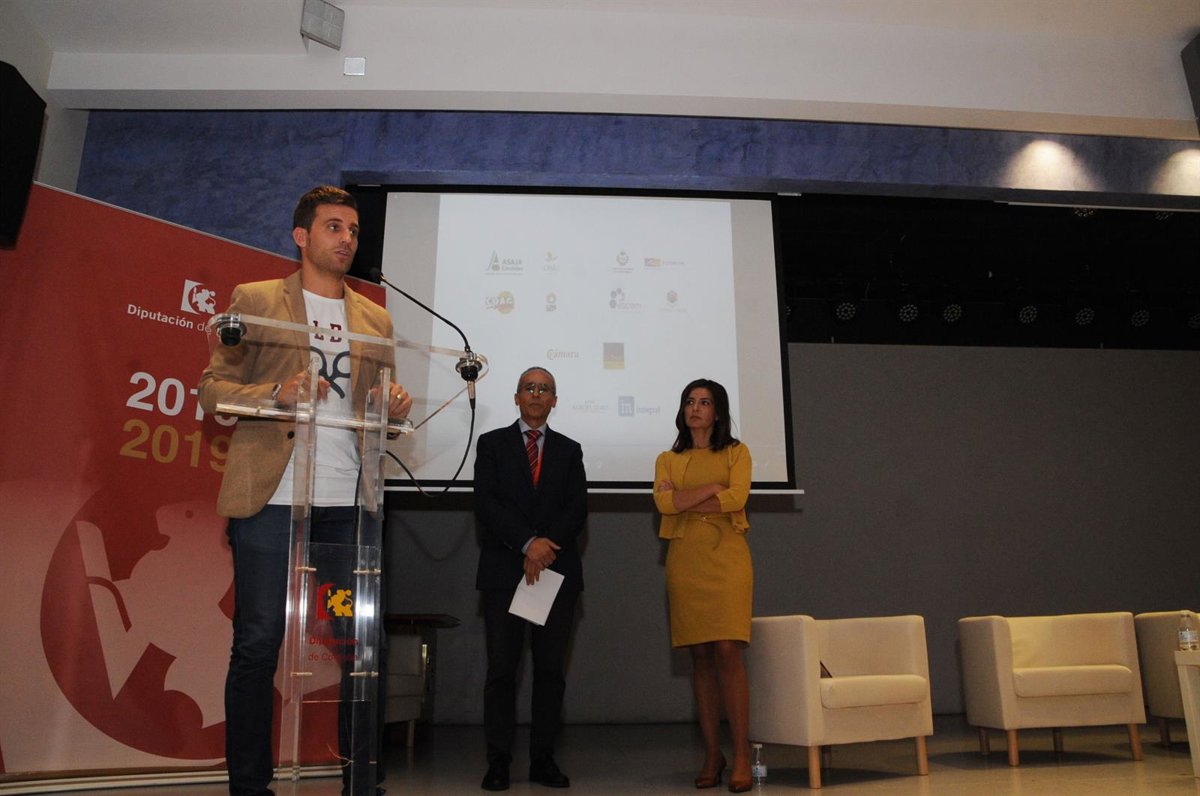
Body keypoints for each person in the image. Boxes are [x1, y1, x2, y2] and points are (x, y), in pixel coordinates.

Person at [198, 185, 412, 796]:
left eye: (354, 230)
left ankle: (361, 783)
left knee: (359, 646)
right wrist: (277, 395)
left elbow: (375, 411)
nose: (347, 239)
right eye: (334, 227)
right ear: (302, 235)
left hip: (347, 507)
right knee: (258, 641)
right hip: (272, 500)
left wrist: (391, 407)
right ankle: (250, 786)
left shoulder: (376, 318)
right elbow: (213, 390)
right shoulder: (257, 300)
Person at [474, 366, 588, 791]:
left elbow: (577, 508)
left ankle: (543, 759)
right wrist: (527, 544)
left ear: (554, 400)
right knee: (502, 671)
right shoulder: (491, 444)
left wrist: (544, 547)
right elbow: (486, 503)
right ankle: (498, 762)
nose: (537, 394)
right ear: (517, 397)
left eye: (545, 389)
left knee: (550, 672)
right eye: (529, 387)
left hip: (556, 574)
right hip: (504, 572)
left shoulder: (570, 450)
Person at [653, 378, 754, 793]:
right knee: (700, 656)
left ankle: (742, 754)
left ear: (718, 412)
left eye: (705, 402)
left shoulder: (736, 452)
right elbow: (664, 503)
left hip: (728, 557)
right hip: (685, 559)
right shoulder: (667, 459)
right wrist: (712, 489)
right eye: (690, 401)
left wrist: (688, 498)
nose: (695, 408)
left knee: (728, 648)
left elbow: (737, 498)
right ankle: (713, 754)